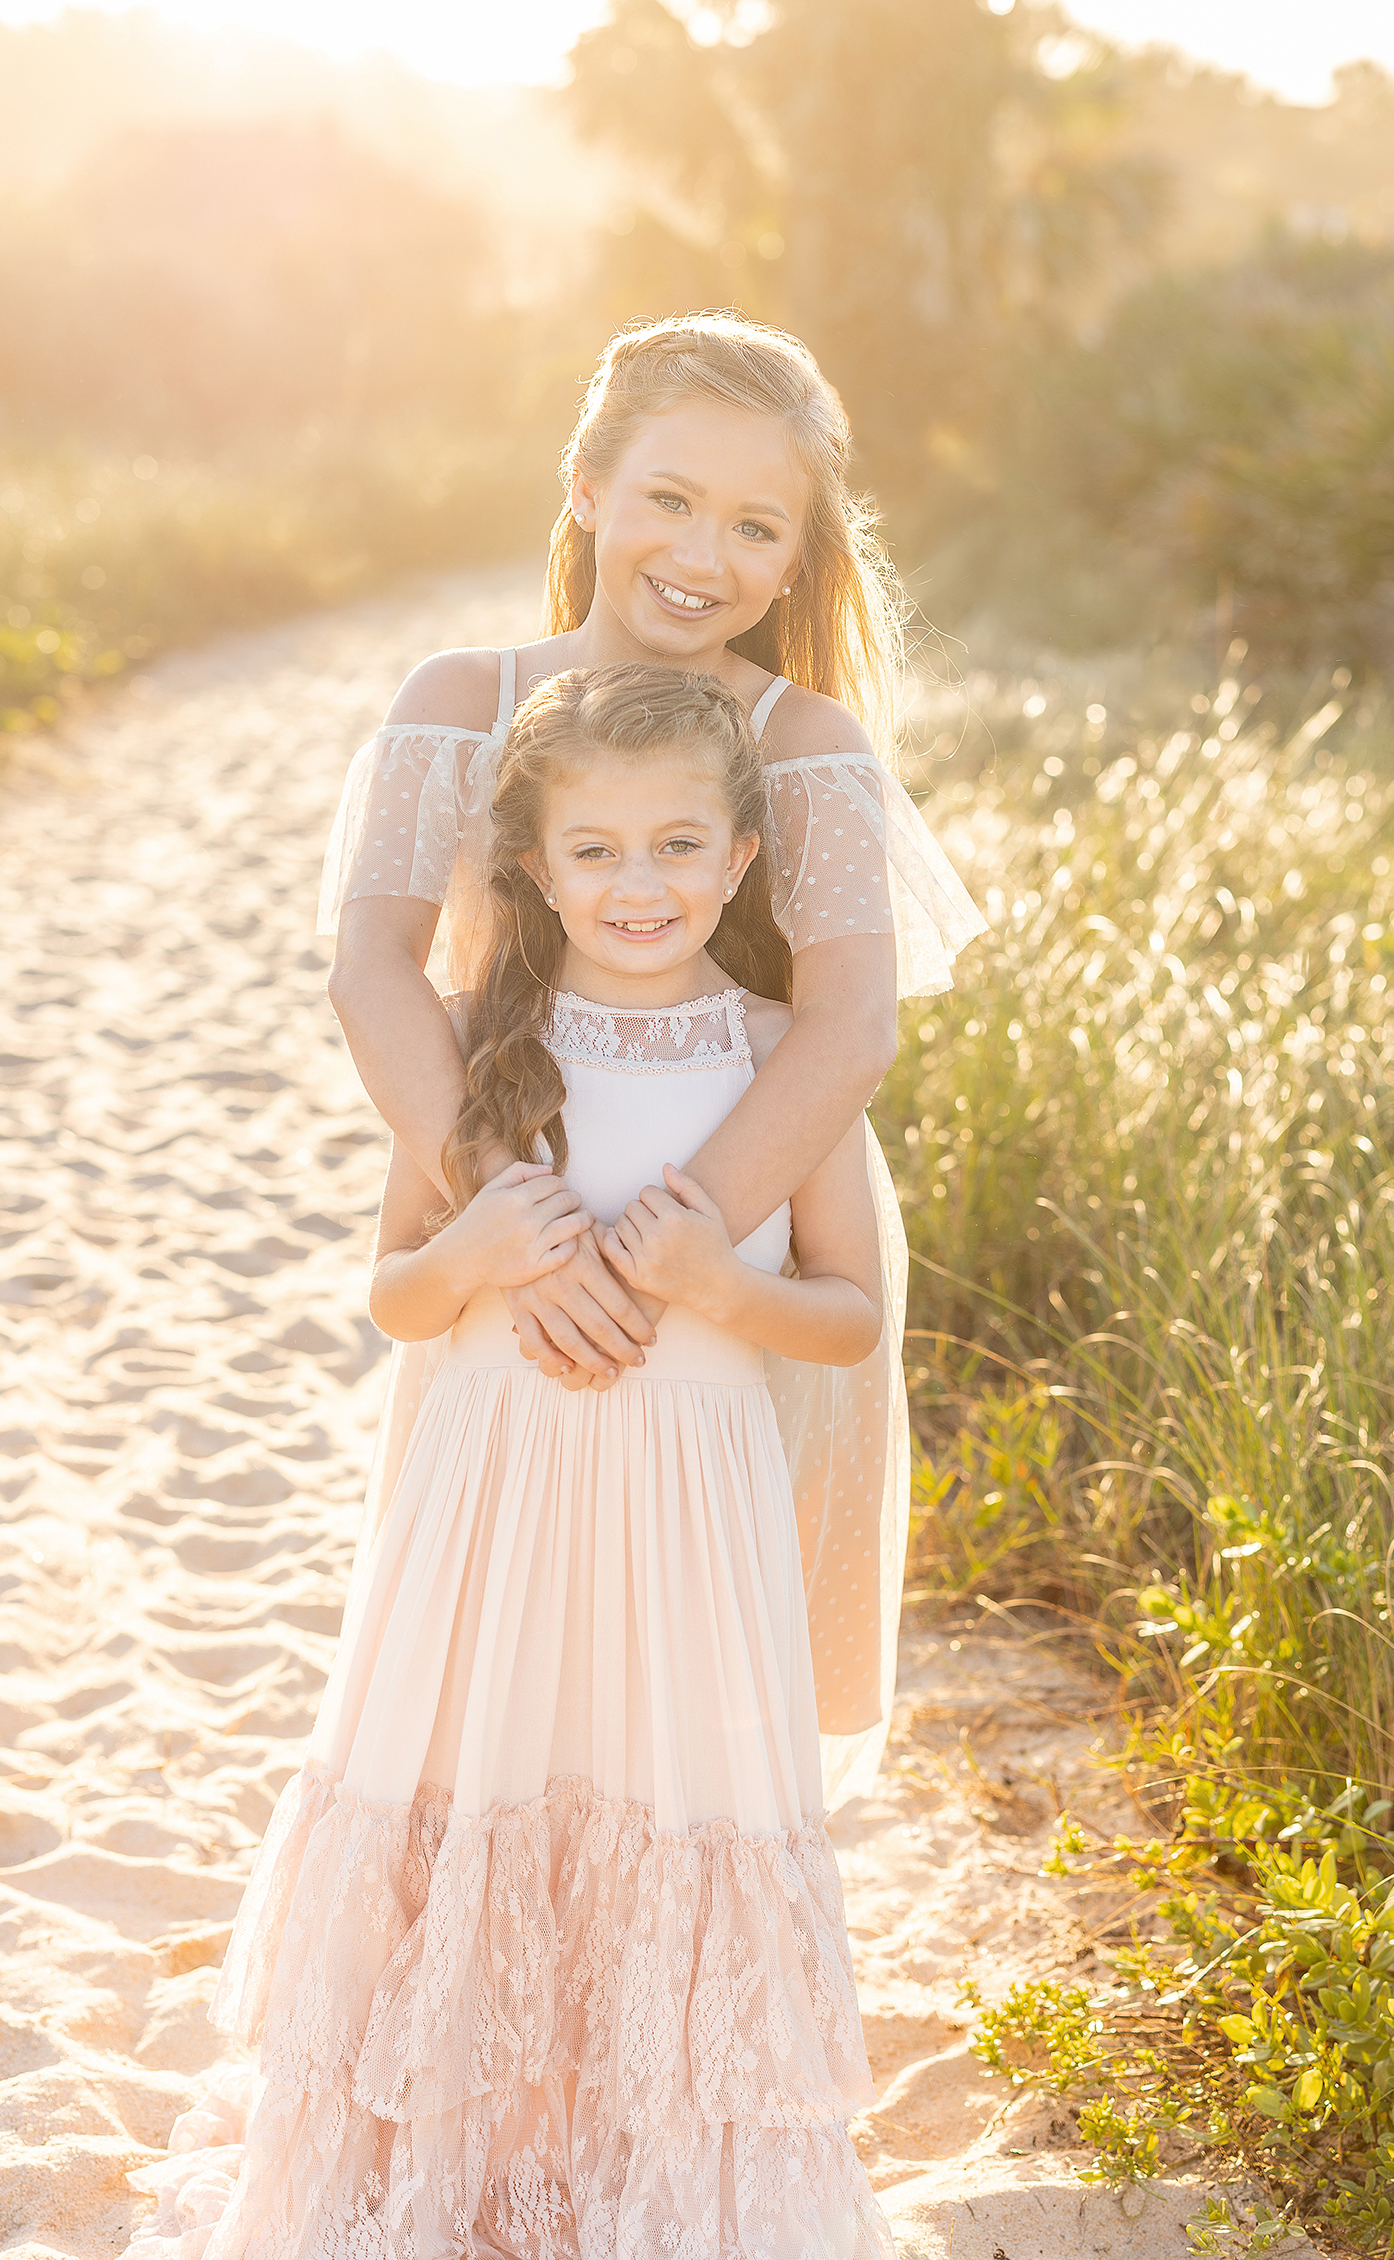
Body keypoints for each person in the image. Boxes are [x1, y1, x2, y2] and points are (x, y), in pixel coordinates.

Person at [111, 667, 908, 2260]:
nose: (641, 881)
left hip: (686, 1507)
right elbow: (397, 1293)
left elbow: (848, 1318)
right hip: (494, 1499)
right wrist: (469, 1258)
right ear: (536, 871)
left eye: (679, 844)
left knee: (668, 1808)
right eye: (598, 849)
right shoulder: (489, 1051)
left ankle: (662, 2203)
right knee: (488, 1785)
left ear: (745, 857)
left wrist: (723, 1284)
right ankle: (460, 2177)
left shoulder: (785, 1058)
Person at [325, 313, 987, 1806]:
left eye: (757, 525)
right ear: (585, 491)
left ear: (796, 560)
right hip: (508, 1186)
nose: (705, 551)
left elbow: (848, 1023)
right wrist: (519, 1223)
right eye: (670, 498)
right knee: (500, 1646)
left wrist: (654, 1260)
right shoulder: (462, 699)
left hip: (735, 1208)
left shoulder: (801, 737)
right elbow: (373, 968)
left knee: (698, 1670)